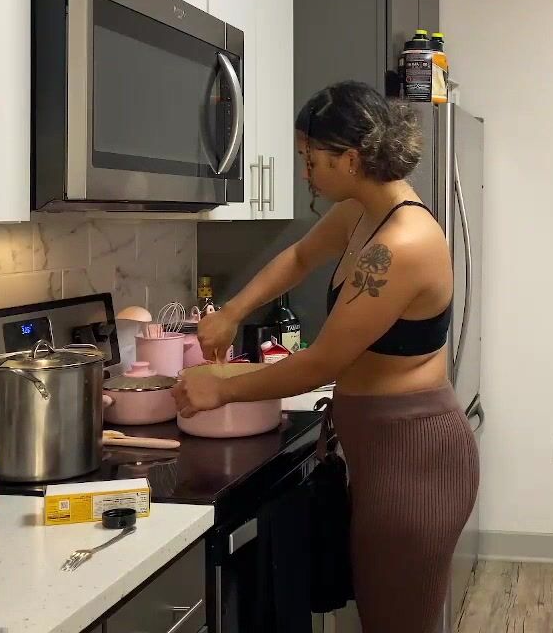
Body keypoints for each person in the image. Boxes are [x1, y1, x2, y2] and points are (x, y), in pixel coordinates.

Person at [175, 80, 479, 633]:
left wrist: (219, 386)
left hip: (415, 460)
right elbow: (299, 257)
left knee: (396, 624)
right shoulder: (362, 213)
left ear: (350, 158)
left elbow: (323, 363)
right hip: (380, 450)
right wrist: (231, 312)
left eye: (310, 159)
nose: (304, 173)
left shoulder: (402, 244)